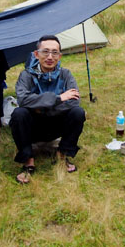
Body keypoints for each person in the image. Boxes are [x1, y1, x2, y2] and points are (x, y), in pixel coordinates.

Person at [10, 35, 85, 184]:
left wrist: (40, 107)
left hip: (57, 125)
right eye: (45, 52)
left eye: (54, 52)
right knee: (19, 113)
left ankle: (62, 155)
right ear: (36, 54)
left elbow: (74, 102)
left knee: (78, 113)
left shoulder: (65, 74)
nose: (50, 57)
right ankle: (28, 160)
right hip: (33, 127)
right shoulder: (26, 75)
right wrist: (58, 98)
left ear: (60, 56)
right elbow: (23, 100)